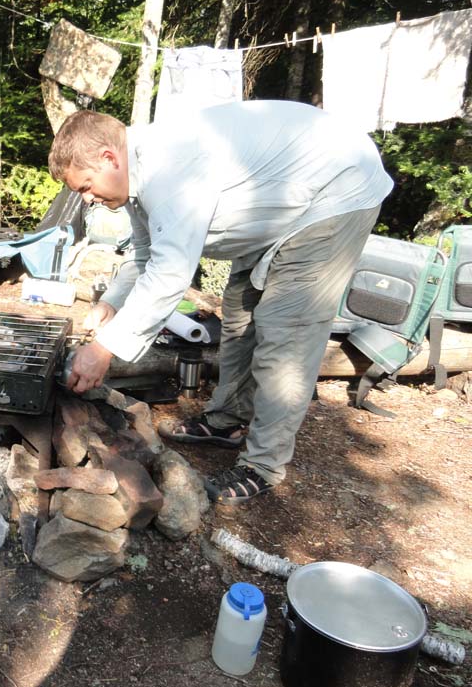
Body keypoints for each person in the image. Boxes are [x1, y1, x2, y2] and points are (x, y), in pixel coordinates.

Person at [48, 101, 393, 505]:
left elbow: (170, 273)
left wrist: (104, 349)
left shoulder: (168, 170)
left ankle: (263, 465)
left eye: (86, 186)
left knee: (285, 333)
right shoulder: (137, 179)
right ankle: (227, 419)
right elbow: (146, 253)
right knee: (240, 315)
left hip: (335, 189)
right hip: (279, 207)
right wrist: (112, 302)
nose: (87, 199)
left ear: (110, 158)